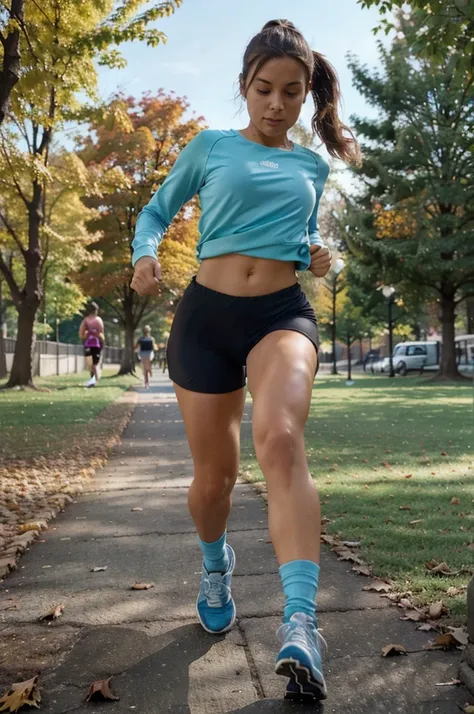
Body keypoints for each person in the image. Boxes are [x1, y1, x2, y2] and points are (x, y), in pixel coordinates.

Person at [130, 19, 359, 702]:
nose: (278, 104)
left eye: (292, 92)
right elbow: (155, 212)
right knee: (214, 483)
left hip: (280, 315)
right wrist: (145, 255)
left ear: (305, 94)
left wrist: (326, 257)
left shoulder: (313, 167)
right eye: (265, 89)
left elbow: (309, 241)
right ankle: (214, 564)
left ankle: (300, 622)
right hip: (205, 318)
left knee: (283, 439)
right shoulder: (210, 147)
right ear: (245, 87)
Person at [79, 302, 104, 388]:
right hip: (97, 344)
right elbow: (101, 332)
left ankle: (94, 380)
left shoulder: (85, 320)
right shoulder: (99, 320)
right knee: (94, 364)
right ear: (96, 310)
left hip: (88, 344)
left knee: (91, 364)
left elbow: (81, 334)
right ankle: (94, 380)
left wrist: (86, 334)